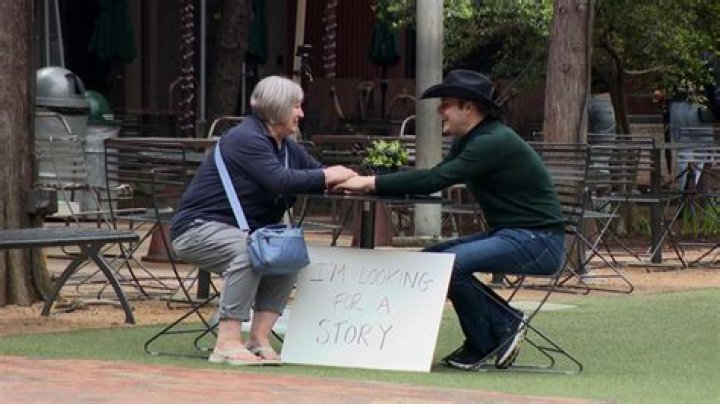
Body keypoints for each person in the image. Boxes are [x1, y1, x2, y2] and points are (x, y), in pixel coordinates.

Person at [333, 69, 566, 370]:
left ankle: (494, 332)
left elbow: (435, 180)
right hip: (512, 234)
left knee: (449, 266)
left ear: (468, 108)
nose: (440, 110)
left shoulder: (491, 141)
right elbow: (435, 177)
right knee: (430, 261)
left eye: (446, 104)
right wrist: (371, 186)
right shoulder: (471, 140)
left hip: (539, 241)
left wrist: (369, 182)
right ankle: (494, 331)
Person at [170, 76, 356, 366]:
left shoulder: (287, 147)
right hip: (197, 228)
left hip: (247, 233)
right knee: (248, 253)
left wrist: (361, 182)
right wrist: (330, 174)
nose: (301, 113)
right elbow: (278, 180)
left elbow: (317, 175)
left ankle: (258, 339)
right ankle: (226, 342)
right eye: (296, 106)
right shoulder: (245, 138)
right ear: (278, 107)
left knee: (287, 255)